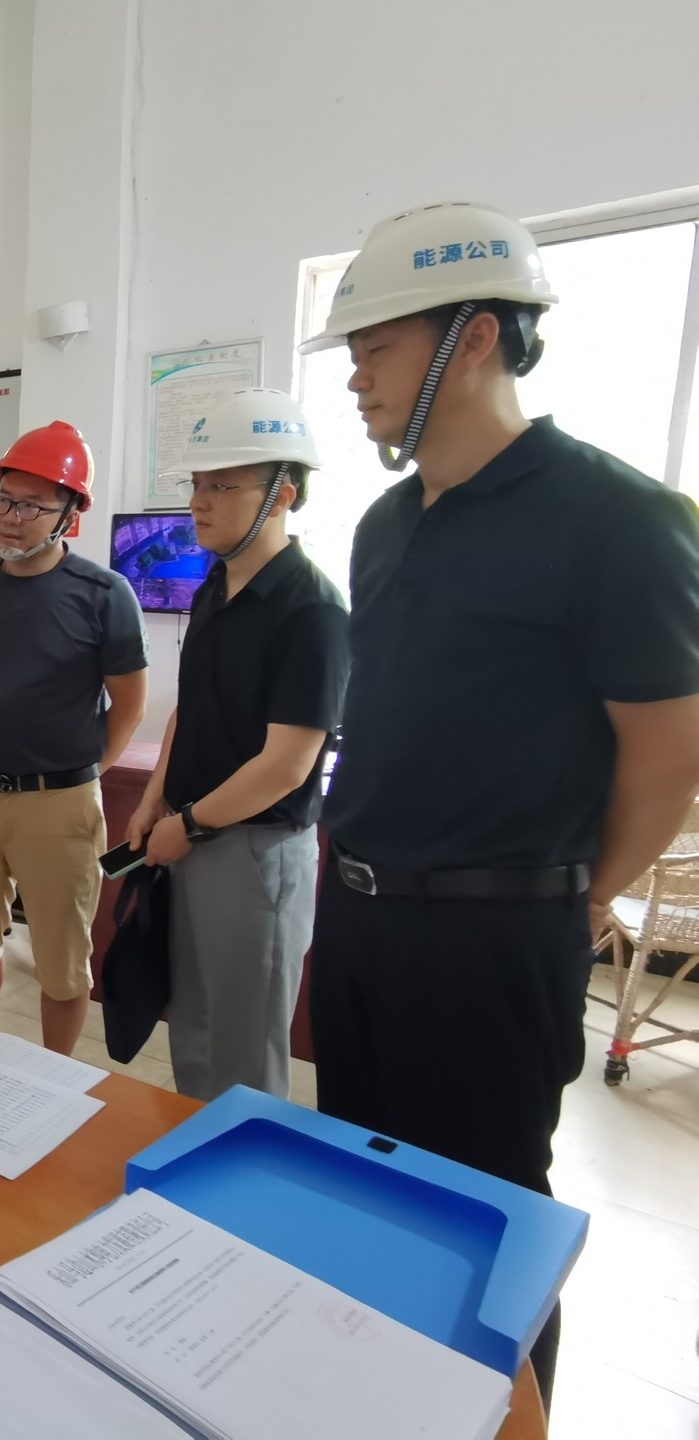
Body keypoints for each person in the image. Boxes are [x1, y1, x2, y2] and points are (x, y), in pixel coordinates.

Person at [302, 200, 699, 1405]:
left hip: (494, 933)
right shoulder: (384, 524)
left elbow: (669, 753)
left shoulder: (619, 521)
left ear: (474, 336)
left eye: (377, 346)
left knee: (486, 1225)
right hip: (361, 916)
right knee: (363, 1190)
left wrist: (581, 891)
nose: (357, 375)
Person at [125, 388, 349, 1101]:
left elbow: (287, 765)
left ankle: (244, 1170)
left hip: (254, 851)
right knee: (193, 1025)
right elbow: (191, 710)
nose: (198, 502)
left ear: (282, 495)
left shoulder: (312, 610)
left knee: (245, 1047)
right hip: (189, 834)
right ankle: (193, 1157)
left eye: (221, 486)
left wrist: (187, 824)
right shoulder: (214, 587)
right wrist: (154, 800)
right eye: (196, 483)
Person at [0, 422, 147, 1053]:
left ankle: (56, 1077)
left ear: (69, 516)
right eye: (3, 500)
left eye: (31, 506)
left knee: (62, 958)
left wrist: (85, 773)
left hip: (61, 802)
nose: (9, 517)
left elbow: (130, 704)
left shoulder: (104, 595)